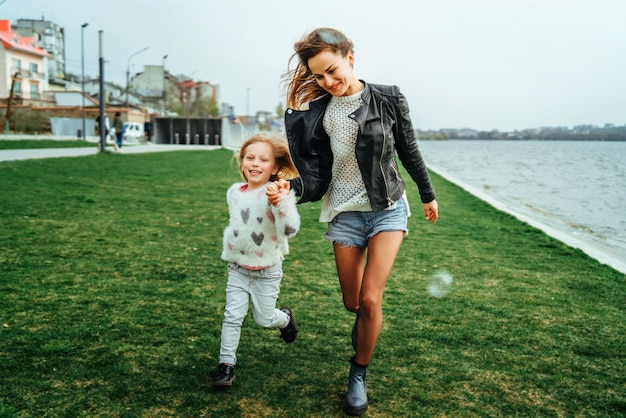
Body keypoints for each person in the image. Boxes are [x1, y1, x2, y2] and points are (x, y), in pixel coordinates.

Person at [277, 27, 439, 415]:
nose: (328, 81)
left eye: (333, 70)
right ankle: (366, 326)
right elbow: (316, 173)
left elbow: (408, 149)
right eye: (319, 76)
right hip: (344, 214)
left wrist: (427, 193)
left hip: (387, 208)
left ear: (351, 57)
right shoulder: (318, 112)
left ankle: (358, 373)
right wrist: (291, 189)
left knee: (370, 298)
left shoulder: (387, 97)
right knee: (353, 302)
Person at [212, 133, 301, 387]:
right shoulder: (233, 192)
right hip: (238, 268)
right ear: (242, 163)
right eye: (250, 157)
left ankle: (284, 318)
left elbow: (289, 229)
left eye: (263, 159)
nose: (255, 163)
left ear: (274, 168)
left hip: (267, 271)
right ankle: (226, 365)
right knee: (232, 316)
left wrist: (282, 202)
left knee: (263, 319)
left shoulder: (276, 193)